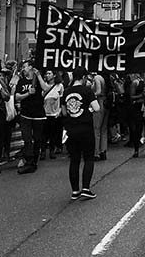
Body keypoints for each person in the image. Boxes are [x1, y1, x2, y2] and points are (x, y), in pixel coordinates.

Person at [61, 67, 100, 200]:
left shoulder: (66, 92)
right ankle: (86, 188)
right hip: (85, 128)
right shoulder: (87, 91)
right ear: (83, 77)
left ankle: (75, 191)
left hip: (71, 129)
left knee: (74, 160)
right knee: (88, 158)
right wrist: (87, 109)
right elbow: (97, 107)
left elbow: (64, 112)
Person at [15, 61, 45, 174]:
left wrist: (38, 75)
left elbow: (46, 88)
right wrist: (28, 93)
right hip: (25, 115)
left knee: (37, 139)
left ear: (31, 67)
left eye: (25, 67)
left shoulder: (38, 80)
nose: (23, 69)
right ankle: (28, 160)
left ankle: (34, 162)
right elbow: (17, 97)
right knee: (27, 138)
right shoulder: (21, 81)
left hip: (38, 115)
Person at [36, 69, 64, 159]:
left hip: (54, 113)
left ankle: (52, 150)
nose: (47, 75)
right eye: (46, 73)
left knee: (53, 133)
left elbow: (61, 99)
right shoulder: (43, 85)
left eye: (49, 73)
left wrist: (60, 111)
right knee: (43, 134)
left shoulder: (59, 86)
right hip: (44, 113)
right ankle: (43, 151)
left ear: (54, 75)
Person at [90, 71, 108, 161]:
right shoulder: (104, 78)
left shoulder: (97, 78)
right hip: (105, 103)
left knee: (96, 129)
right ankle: (103, 150)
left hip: (99, 102)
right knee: (103, 129)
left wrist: (91, 95)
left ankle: (96, 152)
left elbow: (99, 91)